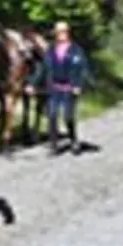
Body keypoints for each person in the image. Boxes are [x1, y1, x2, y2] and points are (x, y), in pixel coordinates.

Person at [26, 21, 90, 155]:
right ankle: (54, 145)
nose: (62, 34)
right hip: (54, 87)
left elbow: (82, 69)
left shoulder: (76, 50)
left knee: (68, 116)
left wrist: (78, 85)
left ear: (68, 33)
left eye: (65, 31)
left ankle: (73, 139)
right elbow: (42, 69)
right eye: (59, 32)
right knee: (52, 115)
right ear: (55, 34)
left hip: (69, 88)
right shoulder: (50, 50)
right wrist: (32, 83)